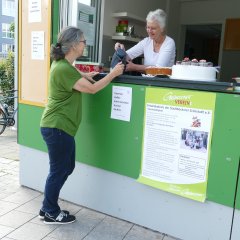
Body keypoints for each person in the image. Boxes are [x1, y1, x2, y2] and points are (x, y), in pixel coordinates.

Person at [39, 26, 124, 225]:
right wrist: (113, 73)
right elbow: (93, 90)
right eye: (84, 41)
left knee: (66, 167)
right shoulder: (63, 68)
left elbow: (75, 76)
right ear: (75, 45)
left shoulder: (63, 65)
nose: (85, 44)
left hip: (59, 127)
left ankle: (47, 207)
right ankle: (50, 210)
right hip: (57, 127)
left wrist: (87, 75)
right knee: (59, 170)